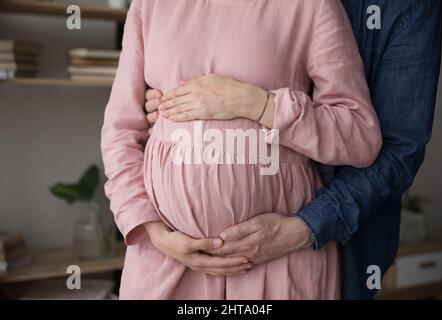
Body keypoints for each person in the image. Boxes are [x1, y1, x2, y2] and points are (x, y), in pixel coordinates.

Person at [143, 0, 442, 299]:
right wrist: (170, 97)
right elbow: (126, 123)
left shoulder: (403, 7)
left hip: (331, 237)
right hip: (177, 258)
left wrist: (304, 228)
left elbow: (397, 149)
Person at [101, 0, 382, 299]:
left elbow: (361, 136)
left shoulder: (311, 6)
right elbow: (120, 130)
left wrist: (259, 105)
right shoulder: (150, 5)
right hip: (165, 260)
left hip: (278, 257)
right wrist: (152, 230)